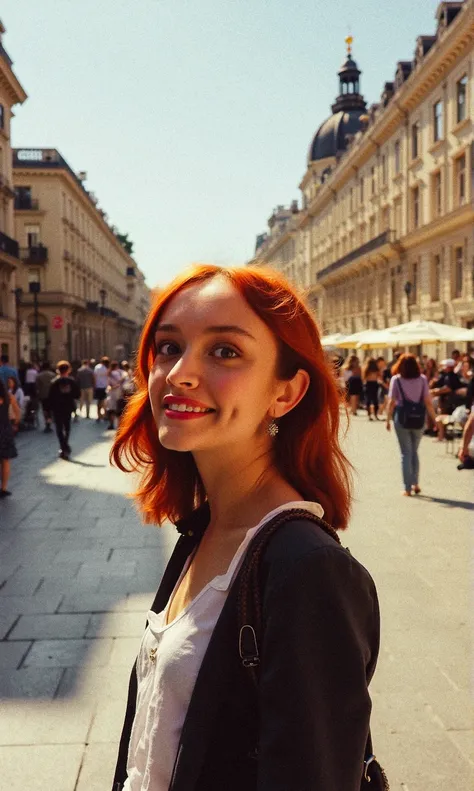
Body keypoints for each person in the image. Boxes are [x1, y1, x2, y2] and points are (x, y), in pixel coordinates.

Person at [110, 264, 381, 791]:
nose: (180, 372)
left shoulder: (308, 569)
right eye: (168, 347)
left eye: (224, 351)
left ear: (285, 393)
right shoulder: (203, 529)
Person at [386, 353, 437, 496]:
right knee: (414, 451)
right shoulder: (422, 379)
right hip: (419, 418)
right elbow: (428, 401)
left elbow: (391, 402)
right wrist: (435, 419)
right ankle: (416, 483)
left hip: (401, 418)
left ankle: (407, 488)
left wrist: (387, 419)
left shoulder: (396, 380)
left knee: (405, 453)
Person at [48, 360, 80, 460]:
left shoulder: (54, 382)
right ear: (69, 370)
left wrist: (48, 411)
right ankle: (65, 445)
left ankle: (63, 446)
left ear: (58, 370)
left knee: (59, 428)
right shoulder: (72, 382)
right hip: (68, 407)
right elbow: (77, 395)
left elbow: (50, 397)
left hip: (57, 408)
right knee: (67, 427)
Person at [430, 358, 466, 442]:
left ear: (449, 367)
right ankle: (442, 435)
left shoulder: (451, 376)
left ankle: (442, 436)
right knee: (441, 417)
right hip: (446, 401)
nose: (443, 367)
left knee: (441, 417)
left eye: (444, 366)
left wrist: (435, 391)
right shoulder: (446, 375)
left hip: (450, 402)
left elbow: (448, 388)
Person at [0, 378, 21, 497]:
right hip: (6, 429)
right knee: (6, 460)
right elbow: (18, 413)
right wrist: (14, 424)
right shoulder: (9, 397)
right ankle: (3, 488)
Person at [36, 361, 55, 432]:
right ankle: (50, 421)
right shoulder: (53, 375)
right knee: (50, 410)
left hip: (43, 395)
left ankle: (47, 423)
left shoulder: (39, 376)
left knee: (45, 410)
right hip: (52, 395)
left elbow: (37, 387)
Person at [105, 360, 124, 429]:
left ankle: (111, 424)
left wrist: (111, 387)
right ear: (116, 366)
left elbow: (108, 385)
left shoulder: (109, 373)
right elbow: (119, 383)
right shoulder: (116, 373)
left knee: (111, 410)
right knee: (118, 410)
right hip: (117, 393)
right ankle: (119, 425)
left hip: (110, 394)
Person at [94, 356, 110, 421]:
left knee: (99, 402)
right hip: (105, 387)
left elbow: (94, 376)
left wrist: (95, 385)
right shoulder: (107, 368)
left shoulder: (97, 367)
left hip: (98, 386)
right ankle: (105, 415)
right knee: (104, 402)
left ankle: (99, 415)